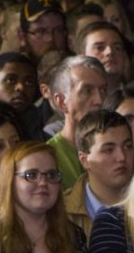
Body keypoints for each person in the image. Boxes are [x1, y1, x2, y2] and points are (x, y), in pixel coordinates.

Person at [0, 141, 90, 253]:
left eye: (51, 175)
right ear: (9, 182)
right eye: (31, 175)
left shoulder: (74, 237)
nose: (43, 182)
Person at [65, 110, 134, 238]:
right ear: (84, 160)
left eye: (128, 146)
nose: (121, 157)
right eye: (108, 150)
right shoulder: (63, 211)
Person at [47, 55, 109, 189]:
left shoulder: (119, 146)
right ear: (62, 102)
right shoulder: (49, 156)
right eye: (87, 91)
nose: (99, 100)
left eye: (103, 90)